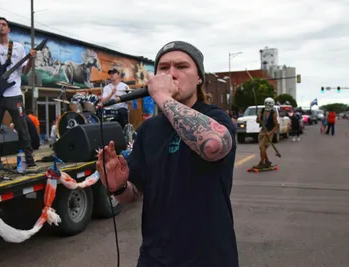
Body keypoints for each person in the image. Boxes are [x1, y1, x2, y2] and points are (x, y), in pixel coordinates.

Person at [96, 41, 238, 266]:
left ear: (199, 77)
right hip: (155, 257)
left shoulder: (215, 118)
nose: (171, 74)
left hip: (209, 257)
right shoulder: (149, 130)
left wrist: (162, 96)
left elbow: (214, 145)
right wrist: (118, 186)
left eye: (181, 66)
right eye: (163, 68)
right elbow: (134, 194)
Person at [0, 17, 37, 170]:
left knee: (22, 125)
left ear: (8, 29)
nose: (1, 27)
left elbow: (24, 71)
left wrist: (30, 60)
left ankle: (29, 158)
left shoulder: (17, 48)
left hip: (13, 93)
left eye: (4, 25)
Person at [254, 97, 279, 168]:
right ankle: (267, 161)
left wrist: (271, 133)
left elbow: (276, 125)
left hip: (269, 131)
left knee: (262, 146)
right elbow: (258, 121)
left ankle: (262, 162)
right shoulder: (262, 111)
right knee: (261, 147)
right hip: (262, 130)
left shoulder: (273, 113)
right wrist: (258, 119)